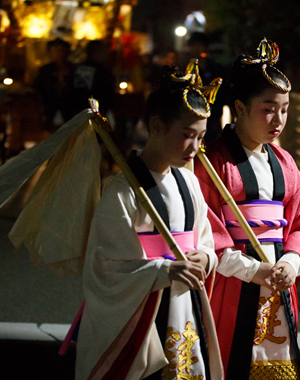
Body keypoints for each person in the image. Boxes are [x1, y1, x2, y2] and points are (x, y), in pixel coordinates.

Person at [75, 60, 221, 380]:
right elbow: (105, 267)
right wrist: (165, 269)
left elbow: (207, 240)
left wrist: (205, 257)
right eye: (187, 135)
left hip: (184, 305)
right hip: (143, 315)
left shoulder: (189, 181)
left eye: (201, 137)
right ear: (155, 127)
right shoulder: (122, 190)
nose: (195, 148)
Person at [194, 39, 300, 379]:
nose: (279, 119)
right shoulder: (213, 161)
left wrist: (292, 261)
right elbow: (208, 230)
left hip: (278, 282)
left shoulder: (285, 163)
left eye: (285, 109)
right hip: (232, 283)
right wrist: (251, 270)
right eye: (268, 108)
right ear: (241, 108)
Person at [34, 38, 75, 129]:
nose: (59, 54)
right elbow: (39, 89)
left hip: (69, 112)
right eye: (56, 51)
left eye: (62, 51)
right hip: (50, 110)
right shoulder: (46, 70)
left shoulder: (74, 70)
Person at [71, 40, 116, 122]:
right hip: (91, 116)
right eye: (104, 51)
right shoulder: (86, 70)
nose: (106, 54)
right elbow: (81, 95)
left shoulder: (102, 69)